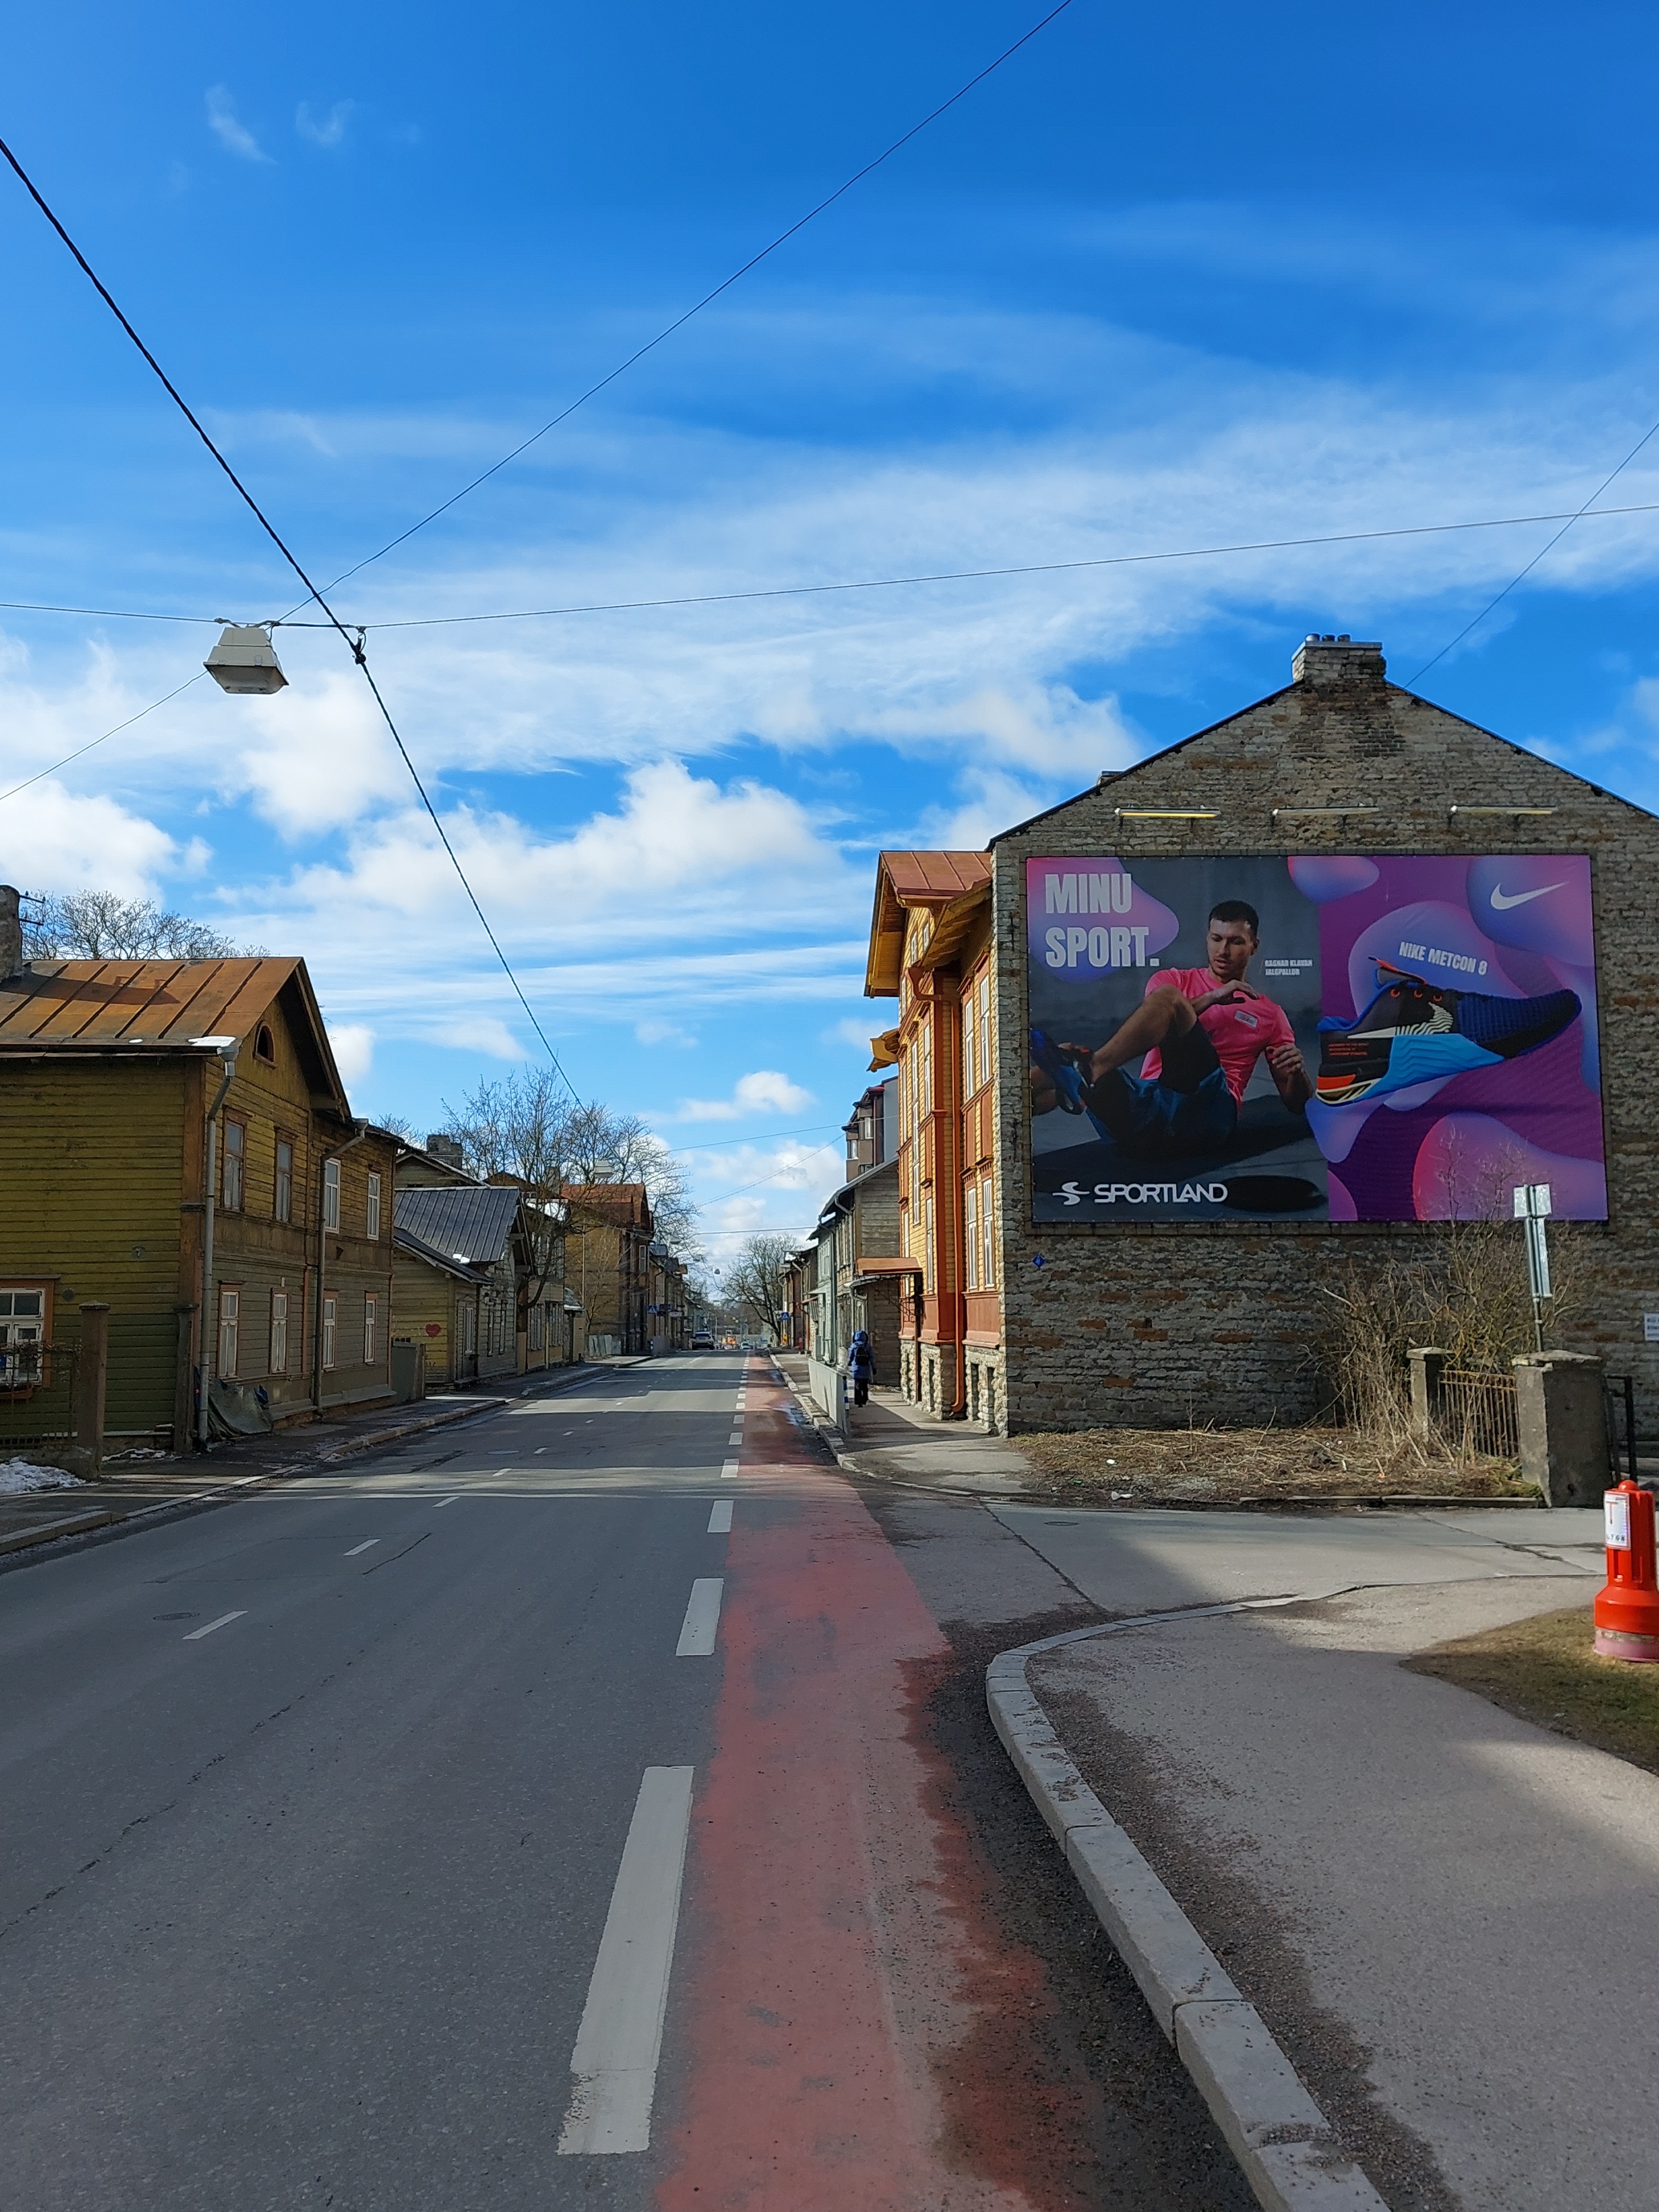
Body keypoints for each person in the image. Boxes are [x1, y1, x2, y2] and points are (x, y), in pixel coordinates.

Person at [1031, 900, 1311, 1154]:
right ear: (1207, 939)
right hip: (1148, 1113)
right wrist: (1213, 997)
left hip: (1208, 1119)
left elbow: (1296, 1103)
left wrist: (1296, 1073)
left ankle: (1088, 1074)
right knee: (1065, 1055)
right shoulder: (1172, 980)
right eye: (1216, 939)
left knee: (1166, 1001)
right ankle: (1007, 1113)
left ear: (1254, 946)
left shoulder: (1270, 1014)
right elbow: (1155, 1028)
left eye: (1236, 942)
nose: (1223, 951)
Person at [847, 1329, 875, 1408]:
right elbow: (872, 1358)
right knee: (865, 1385)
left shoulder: (854, 1346)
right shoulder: (868, 1346)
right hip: (866, 1369)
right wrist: (874, 1367)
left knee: (857, 1386)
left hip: (857, 1369)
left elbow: (851, 1357)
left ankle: (858, 1402)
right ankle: (865, 1399)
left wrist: (849, 1363)